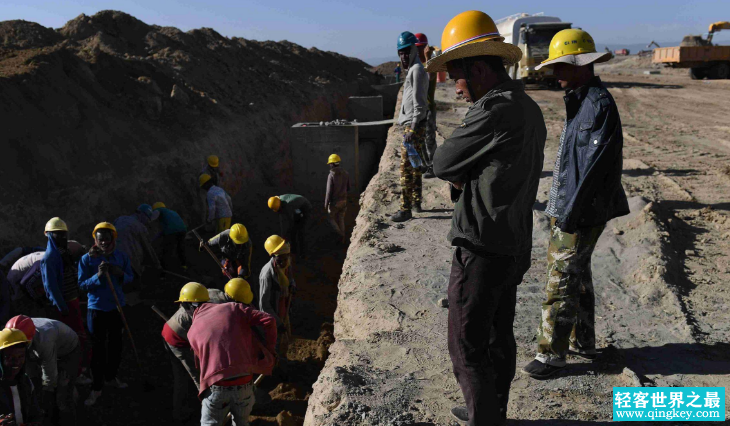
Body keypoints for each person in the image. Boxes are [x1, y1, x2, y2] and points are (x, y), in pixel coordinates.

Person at [427, 10, 546, 425]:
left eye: (458, 79)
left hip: (482, 245)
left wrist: (464, 168)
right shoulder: (527, 106)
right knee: (498, 337)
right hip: (513, 241)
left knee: (467, 345)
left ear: (479, 68)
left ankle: (484, 418)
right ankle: (491, 409)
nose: (457, 90)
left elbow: (442, 162)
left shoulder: (492, 110)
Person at [523, 29, 629, 379]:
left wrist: (569, 215)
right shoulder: (580, 101)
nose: (556, 75)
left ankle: (550, 355)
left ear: (582, 65)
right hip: (570, 207)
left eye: (562, 67)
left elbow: (595, 171)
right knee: (578, 275)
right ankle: (584, 342)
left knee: (562, 278)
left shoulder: (597, 104)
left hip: (580, 210)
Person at [187, 297, 277, 425]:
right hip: (245, 384)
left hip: (217, 387)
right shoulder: (232, 308)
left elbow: (199, 366)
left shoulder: (192, 331)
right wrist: (270, 351)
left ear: (190, 306)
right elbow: (269, 319)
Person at [78, 222, 133, 406]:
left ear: (113, 239)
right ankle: (97, 386)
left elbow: (130, 278)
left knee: (116, 344)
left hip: (117, 307)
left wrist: (120, 274)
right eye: (100, 240)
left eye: (107, 240)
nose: (103, 243)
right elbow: (82, 285)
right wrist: (98, 277)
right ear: (95, 239)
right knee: (98, 348)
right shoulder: (87, 260)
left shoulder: (121, 257)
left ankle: (111, 377)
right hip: (96, 309)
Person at [162, 282, 227, 423]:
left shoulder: (216, 292)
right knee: (200, 377)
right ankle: (213, 415)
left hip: (175, 331)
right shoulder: (216, 310)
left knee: (184, 375)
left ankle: (181, 410)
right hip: (178, 340)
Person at [39, 218, 90, 377]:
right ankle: (75, 371)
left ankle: (78, 367)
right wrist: (62, 307)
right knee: (73, 336)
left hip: (72, 300)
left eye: (64, 234)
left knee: (78, 333)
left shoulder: (64, 253)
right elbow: (51, 287)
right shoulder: (49, 258)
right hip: (65, 304)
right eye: (58, 235)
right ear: (48, 235)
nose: (62, 238)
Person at [6, 315, 80, 424]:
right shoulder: (18, 330)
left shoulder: (45, 340)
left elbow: (50, 374)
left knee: (62, 390)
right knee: (35, 383)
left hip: (67, 351)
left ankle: (66, 416)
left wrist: (47, 394)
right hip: (42, 346)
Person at [393, 31, 429, 222]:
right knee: (415, 167)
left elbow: (420, 104)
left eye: (407, 52)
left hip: (413, 126)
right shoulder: (413, 69)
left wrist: (412, 129)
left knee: (405, 168)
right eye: (401, 52)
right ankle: (416, 202)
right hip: (413, 125)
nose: (403, 56)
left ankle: (405, 209)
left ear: (414, 50)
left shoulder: (417, 70)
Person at [258, 236, 296, 371]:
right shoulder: (266, 274)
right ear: (273, 256)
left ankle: (283, 362)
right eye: (281, 259)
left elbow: (290, 277)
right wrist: (278, 323)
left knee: (285, 340)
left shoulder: (286, 261)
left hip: (284, 307)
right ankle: (274, 370)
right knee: (274, 344)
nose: (284, 262)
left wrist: (292, 285)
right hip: (274, 314)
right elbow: (264, 305)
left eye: (286, 258)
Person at [0, 328, 42, 425]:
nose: (17, 362)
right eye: (10, 358)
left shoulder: (26, 382)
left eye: (21, 356)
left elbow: (36, 416)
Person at [114, 205, 161, 284]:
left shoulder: (120, 219)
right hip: (130, 264)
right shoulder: (141, 227)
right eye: (148, 218)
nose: (148, 221)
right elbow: (148, 249)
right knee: (132, 289)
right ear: (142, 214)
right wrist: (157, 265)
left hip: (112, 259)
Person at [414, 33, 439, 179]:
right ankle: (425, 164)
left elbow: (430, 78)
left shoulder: (431, 65)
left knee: (430, 138)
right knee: (420, 139)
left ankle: (433, 166)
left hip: (428, 107)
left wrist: (429, 58)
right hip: (419, 108)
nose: (418, 51)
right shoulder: (416, 65)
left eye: (420, 47)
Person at [152, 202, 189, 270]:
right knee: (180, 248)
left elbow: (152, 218)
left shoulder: (159, 210)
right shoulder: (171, 212)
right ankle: (184, 265)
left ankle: (164, 270)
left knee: (167, 250)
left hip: (171, 232)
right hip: (182, 230)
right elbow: (168, 226)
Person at [324, 154, 351, 244]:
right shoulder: (346, 173)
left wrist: (326, 205)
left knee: (330, 218)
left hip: (335, 202)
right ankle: (342, 239)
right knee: (340, 219)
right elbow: (348, 188)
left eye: (330, 164)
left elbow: (328, 192)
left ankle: (340, 234)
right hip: (344, 201)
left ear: (332, 164)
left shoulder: (331, 175)